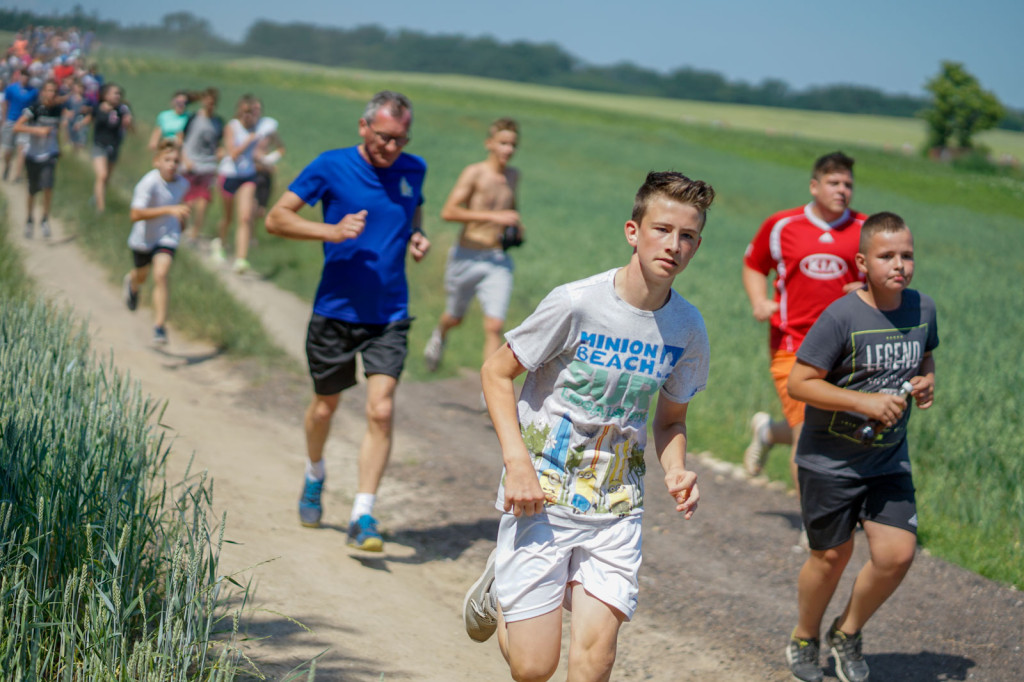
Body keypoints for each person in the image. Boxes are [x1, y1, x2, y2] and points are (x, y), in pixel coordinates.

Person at [462, 171, 713, 681]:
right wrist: (517, 465)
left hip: (617, 505)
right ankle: (500, 589)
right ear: (632, 231)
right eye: (662, 229)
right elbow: (495, 371)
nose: (674, 245)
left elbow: (670, 420)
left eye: (687, 235)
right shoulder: (577, 303)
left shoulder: (688, 329)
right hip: (542, 494)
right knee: (534, 669)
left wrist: (677, 468)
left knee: (595, 662)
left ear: (698, 245)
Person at [264, 90, 430, 552]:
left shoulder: (413, 169)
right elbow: (276, 219)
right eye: (383, 138)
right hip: (335, 311)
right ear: (363, 127)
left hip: (390, 313)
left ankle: (363, 513)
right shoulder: (329, 166)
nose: (392, 148)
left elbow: (412, 205)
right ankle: (314, 472)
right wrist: (330, 231)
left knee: (381, 409)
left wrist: (416, 234)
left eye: (400, 139)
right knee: (325, 407)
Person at [783, 211, 937, 682]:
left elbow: (924, 354)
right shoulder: (842, 316)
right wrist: (863, 403)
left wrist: (927, 381)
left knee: (896, 555)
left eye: (906, 255)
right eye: (887, 256)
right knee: (830, 557)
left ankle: (847, 632)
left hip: (887, 459)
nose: (899, 265)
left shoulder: (923, 309)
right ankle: (805, 636)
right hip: (829, 461)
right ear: (862, 262)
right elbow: (799, 383)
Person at [741, 152, 867, 501]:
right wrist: (759, 301)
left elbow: (885, 280)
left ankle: (767, 432)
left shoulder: (864, 230)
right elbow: (754, 264)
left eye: (848, 184)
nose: (842, 190)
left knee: (838, 427)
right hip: (791, 342)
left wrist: (867, 290)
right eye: (834, 182)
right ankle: (815, 528)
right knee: (808, 432)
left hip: (847, 348)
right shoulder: (783, 225)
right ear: (814, 186)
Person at [423, 117, 522, 386]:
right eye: (503, 143)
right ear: (489, 143)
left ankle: (488, 389)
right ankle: (440, 334)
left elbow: (511, 208)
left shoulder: (513, 176)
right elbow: (449, 211)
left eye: (512, 144)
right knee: (455, 317)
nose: (508, 149)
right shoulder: (475, 173)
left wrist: (516, 226)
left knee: (494, 325)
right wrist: (494, 218)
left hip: (497, 259)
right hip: (467, 254)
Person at [123, 138, 190, 346]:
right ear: (156, 162)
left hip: (167, 237)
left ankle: (159, 326)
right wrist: (169, 210)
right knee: (141, 275)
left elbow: (181, 212)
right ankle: (132, 283)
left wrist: (182, 221)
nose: (172, 165)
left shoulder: (183, 184)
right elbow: (135, 214)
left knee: (161, 274)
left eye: (176, 161)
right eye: (167, 160)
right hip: (143, 238)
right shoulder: (149, 182)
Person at [212, 94, 262, 274]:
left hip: (247, 176)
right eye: (245, 112)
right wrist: (248, 142)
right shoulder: (232, 127)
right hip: (229, 174)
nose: (248, 116)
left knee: (245, 217)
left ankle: (241, 259)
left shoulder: (257, 129)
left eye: (251, 113)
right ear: (239, 112)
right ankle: (220, 242)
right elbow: (232, 153)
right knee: (228, 217)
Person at [13, 79, 62, 239]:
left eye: (54, 91)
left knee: (48, 186)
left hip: (49, 154)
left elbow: (57, 131)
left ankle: (45, 218)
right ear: (43, 93)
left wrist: (59, 147)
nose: (51, 94)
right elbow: (17, 127)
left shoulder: (58, 110)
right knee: (32, 190)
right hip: (33, 155)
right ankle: (29, 219)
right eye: (49, 90)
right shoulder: (34, 109)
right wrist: (37, 130)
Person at [179, 87, 224, 245]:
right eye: (208, 102)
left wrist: (220, 152)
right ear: (203, 101)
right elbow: (181, 139)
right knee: (188, 202)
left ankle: (195, 233)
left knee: (204, 201)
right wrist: (184, 159)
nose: (210, 105)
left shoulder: (218, 122)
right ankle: (182, 229)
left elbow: (219, 143)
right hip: (190, 163)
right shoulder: (193, 119)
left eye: (213, 103)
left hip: (208, 165)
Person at [89, 82, 132, 212]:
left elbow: (130, 127)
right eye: (114, 93)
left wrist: (128, 123)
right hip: (99, 145)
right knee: (102, 175)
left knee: (106, 178)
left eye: (119, 93)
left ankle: (96, 198)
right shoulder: (98, 108)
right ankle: (100, 209)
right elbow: (89, 119)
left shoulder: (122, 110)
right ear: (105, 95)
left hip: (114, 146)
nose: (117, 96)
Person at [252, 98, 285, 223]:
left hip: (265, 172)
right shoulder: (246, 127)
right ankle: (249, 237)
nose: (256, 112)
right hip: (250, 172)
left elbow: (281, 148)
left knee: (260, 210)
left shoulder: (268, 127)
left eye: (258, 109)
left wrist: (267, 160)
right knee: (251, 207)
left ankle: (251, 236)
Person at [2, 68, 37, 183]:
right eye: (24, 75)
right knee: (8, 150)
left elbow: (35, 108)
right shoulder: (11, 88)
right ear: (20, 76)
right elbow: (6, 103)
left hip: (24, 123)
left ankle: (17, 176)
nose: (25, 78)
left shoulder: (33, 92)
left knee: (22, 150)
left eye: (28, 76)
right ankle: (7, 166)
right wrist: (4, 118)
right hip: (11, 120)